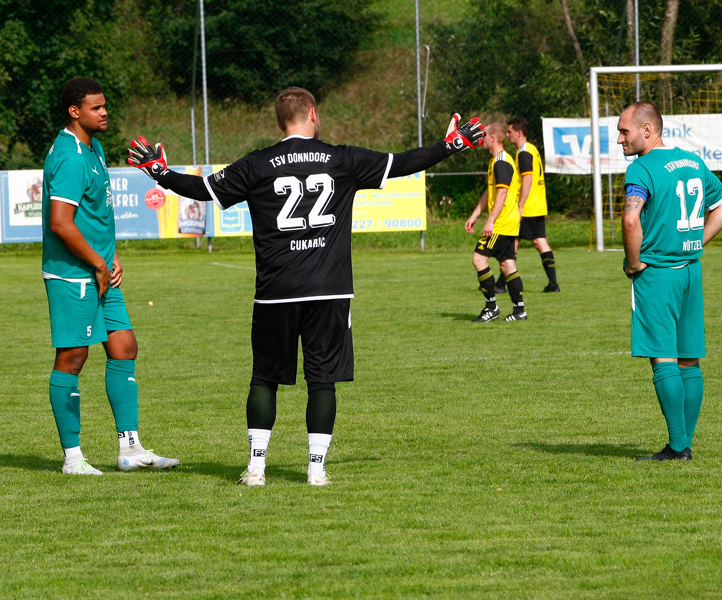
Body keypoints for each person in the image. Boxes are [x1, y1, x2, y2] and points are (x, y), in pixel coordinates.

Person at [126, 87, 484, 486]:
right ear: (312, 114)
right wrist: (452, 144)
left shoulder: (258, 163)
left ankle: (257, 468)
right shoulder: (342, 158)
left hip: (276, 291)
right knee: (322, 378)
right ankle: (316, 470)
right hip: (330, 290)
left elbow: (202, 191)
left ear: (279, 122)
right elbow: (403, 164)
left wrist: (158, 171)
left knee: (265, 377)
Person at [42, 77, 179, 475]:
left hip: (103, 273)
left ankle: (130, 449)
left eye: (104, 106)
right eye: (96, 108)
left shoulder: (95, 147)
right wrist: (98, 265)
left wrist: (112, 256)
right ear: (75, 112)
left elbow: (97, 214)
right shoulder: (68, 156)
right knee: (72, 357)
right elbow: (61, 224)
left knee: (124, 347)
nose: (105, 113)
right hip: (75, 276)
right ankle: (73, 458)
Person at [618, 101, 722, 461]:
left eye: (624, 131)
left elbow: (630, 220)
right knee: (689, 360)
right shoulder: (691, 161)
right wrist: (696, 241)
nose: (619, 139)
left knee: (662, 358)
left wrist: (634, 263)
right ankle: (683, 444)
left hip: (658, 274)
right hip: (690, 270)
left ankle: (678, 446)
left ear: (647, 130)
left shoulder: (642, 169)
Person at [464, 123, 527, 322]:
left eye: (483, 135)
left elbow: (502, 192)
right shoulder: (496, 162)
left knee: (479, 259)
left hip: (501, 223)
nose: (481, 138)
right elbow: (490, 192)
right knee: (508, 265)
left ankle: (491, 307)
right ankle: (520, 311)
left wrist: (490, 221)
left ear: (493, 139)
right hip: (508, 222)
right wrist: (475, 215)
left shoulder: (501, 161)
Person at [495, 117, 559, 293]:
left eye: (510, 132)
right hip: (538, 204)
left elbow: (528, 178)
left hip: (528, 206)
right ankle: (553, 283)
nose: (508, 135)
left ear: (519, 132)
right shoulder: (532, 149)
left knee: (513, 242)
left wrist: (521, 204)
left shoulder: (523, 151)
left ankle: (501, 284)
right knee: (539, 241)